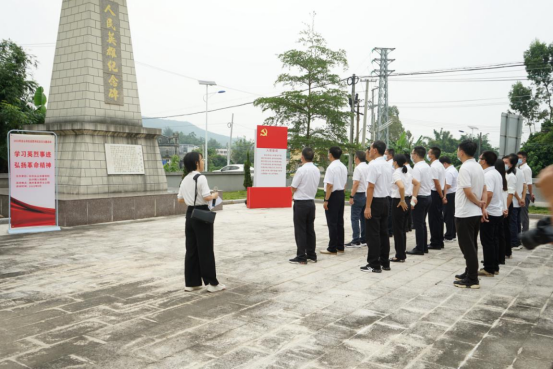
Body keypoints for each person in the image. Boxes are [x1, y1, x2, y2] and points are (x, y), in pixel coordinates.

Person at [178, 152, 225, 293]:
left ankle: (191, 283)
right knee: (206, 249)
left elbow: (180, 199)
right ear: (196, 163)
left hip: (190, 214)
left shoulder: (186, 178)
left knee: (191, 249)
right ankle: (212, 283)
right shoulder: (201, 177)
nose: (203, 161)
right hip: (202, 214)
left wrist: (191, 200)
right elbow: (206, 197)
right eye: (202, 159)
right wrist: (215, 195)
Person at [454, 140, 487, 289]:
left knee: (467, 246)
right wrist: (481, 204)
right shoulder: (478, 167)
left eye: (457, 149)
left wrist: (479, 203)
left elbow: (467, 191)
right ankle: (469, 272)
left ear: (461, 151)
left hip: (466, 213)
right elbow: (484, 188)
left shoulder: (465, 168)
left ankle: (472, 279)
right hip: (473, 213)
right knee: (471, 245)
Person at [361, 141, 393, 273]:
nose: (369, 150)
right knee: (383, 233)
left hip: (375, 201)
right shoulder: (387, 165)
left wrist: (368, 207)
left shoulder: (373, 165)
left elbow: (370, 186)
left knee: (373, 234)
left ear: (375, 150)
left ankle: (374, 264)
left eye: (370, 148)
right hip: (386, 200)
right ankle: (385, 262)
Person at [289, 147, 320, 264]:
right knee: (310, 230)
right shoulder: (316, 170)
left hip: (301, 203)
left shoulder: (301, 170)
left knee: (300, 230)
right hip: (311, 203)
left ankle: (301, 256)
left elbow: (293, 187)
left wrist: (292, 193)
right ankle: (312, 255)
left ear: (302, 157)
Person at [478, 151, 504, 277]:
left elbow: (489, 194)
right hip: (496, 211)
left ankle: (488, 268)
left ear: (484, 161)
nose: (479, 159)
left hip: (490, 212)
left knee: (487, 241)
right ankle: (494, 266)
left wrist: (483, 209)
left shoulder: (488, 175)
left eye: (480, 158)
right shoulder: (496, 173)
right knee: (493, 241)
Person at [390, 154, 420, 262]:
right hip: (407, 200)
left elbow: (401, 187)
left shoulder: (396, 173)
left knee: (398, 230)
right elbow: (417, 184)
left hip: (399, 202)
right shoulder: (407, 172)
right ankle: (401, 254)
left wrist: (402, 200)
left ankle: (399, 255)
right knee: (402, 230)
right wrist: (413, 198)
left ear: (396, 162)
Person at [407, 146, 433, 255]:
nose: (411, 155)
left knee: (418, 224)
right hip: (427, 197)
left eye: (412, 153)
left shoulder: (417, 167)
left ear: (416, 154)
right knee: (422, 223)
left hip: (420, 198)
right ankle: (423, 247)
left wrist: (413, 200)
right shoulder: (427, 166)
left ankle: (419, 248)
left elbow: (416, 184)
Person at [321, 146, 348, 255]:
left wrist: (326, 199)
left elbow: (329, 185)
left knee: (332, 222)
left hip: (332, 195)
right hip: (341, 194)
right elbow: (345, 183)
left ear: (331, 154)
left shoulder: (331, 167)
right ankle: (340, 246)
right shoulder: (343, 166)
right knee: (339, 222)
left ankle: (332, 248)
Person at [346, 150, 368, 248]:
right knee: (363, 218)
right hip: (366, 195)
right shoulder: (368, 167)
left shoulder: (358, 169)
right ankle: (364, 238)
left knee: (354, 218)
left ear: (357, 158)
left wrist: (351, 196)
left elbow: (356, 184)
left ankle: (356, 239)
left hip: (358, 195)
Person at [506, 154, 527, 250]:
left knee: (513, 223)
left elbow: (512, 190)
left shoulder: (512, 173)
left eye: (507, 162)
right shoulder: (520, 172)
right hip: (518, 202)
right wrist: (522, 198)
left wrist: (519, 199)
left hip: (514, 202)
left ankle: (514, 242)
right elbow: (524, 186)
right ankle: (518, 241)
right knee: (517, 222)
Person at [428, 147, 447, 250]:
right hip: (439, 193)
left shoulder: (434, 166)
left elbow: (436, 183)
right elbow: (443, 181)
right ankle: (439, 241)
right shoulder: (440, 165)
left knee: (434, 219)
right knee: (439, 218)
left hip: (435, 194)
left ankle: (435, 242)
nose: (428, 154)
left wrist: (441, 196)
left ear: (433, 155)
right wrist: (443, 195)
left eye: (429, 152)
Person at [495, 158, 510, 265]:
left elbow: (502, 196)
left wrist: (505, 208)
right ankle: (501, 257)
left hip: (499, 210)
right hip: (502, 209)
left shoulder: (498, 177)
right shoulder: (502, 178)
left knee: (498, 236)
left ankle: (499, 257)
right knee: (500, 235)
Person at [440, 156, 458, 242]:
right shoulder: (453, 169)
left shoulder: (448, 172)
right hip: (453, 194)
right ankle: (453, 233)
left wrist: (439, 188)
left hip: (450, 195)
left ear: (445, 164)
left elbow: (448, 185)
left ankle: (449, 235)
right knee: (451, 215)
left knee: (448, 216)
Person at [503, 155, 518, 258]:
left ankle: (508, 251)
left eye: (506, 163)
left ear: (511, 165)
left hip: (507, 204)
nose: (504, 165)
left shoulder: (511, 176)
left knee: (505, 229)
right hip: (503, 203)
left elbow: (511, 194)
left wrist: (506, 208)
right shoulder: (503, 174)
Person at [517, 151, 534, 232]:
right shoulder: (519, 168)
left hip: (526, 194)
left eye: (520, 158)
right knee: (520, 215)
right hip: (520, 194)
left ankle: (525, 233)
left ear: (524, 158)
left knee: (524, 215)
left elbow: (529, 184)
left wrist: (531, 194)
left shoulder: (526, 169)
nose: (518, 159)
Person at [385, 148, 395, 237]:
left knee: (389, 213)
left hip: (389, 191)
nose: (385, 155)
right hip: (392, 191)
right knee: (391, 212)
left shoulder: (388, 164)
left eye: (386, 154)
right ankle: (390, 230)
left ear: (390, 155)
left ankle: (389, 230)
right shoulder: (393, 163)